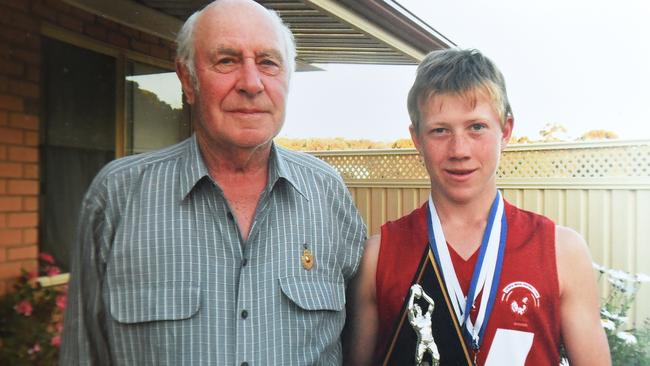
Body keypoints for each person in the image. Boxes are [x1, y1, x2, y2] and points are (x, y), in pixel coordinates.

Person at [60, 0, 366, 364]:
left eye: (268, 62)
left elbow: (363, 338)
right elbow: (83, 353)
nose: (251, 83)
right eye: (226, 61)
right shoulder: (117, 196)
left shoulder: (328, 193)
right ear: (188, 81)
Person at [344, 49, 610, 365]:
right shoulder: (379, 255)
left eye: (477, 127)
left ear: (506, 130)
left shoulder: (561, 251)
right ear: (417, 139)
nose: (460, 149)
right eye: (440, 130)